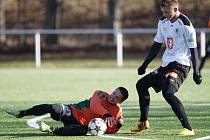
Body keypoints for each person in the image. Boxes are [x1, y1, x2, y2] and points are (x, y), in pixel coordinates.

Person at [131, 0, 202, 136]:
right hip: (167, 64)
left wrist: (196, 71)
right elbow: (156, 45)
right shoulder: (162, 22)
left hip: (181, 65)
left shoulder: (185, 25)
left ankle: (188, 128)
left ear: (175, 9)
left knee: (168, 93)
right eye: (163, 11)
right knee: (141, 85)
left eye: (167, 12)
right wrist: (144, 64)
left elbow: (193, 49)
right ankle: (143, 122)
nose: (164, 14)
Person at [5, 87, 129, 136]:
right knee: (55, 108)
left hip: (79, 125)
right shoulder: (101, 94)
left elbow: (110, 129)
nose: (112, 96)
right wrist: (106, 114)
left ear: (120, 101)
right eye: (114, 93)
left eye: (117, 97)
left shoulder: (117, 111)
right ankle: (21, 113)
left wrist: (118, 125)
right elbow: (94, 106)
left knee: (87, 130)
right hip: (73, 111)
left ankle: (51, 130)